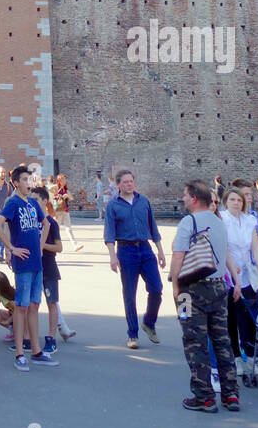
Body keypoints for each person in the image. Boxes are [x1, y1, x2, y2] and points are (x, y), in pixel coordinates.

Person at [170, 179, 241, 413]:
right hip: (219, 287)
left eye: (184, 194)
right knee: (222, 340)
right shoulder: (219, 223)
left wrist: (175, 287)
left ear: (193, 198)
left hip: (190, 290)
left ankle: (204, 396)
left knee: (194, 342)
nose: (182, 198)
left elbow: (178, 256)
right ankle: (231, 394)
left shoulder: (187, 222)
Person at [0, 165, 56, 369]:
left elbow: (46, 223)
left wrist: (39, 245)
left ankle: (36, 350)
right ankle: (20, 353)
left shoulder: (33, 204)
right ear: (16, 183)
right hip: (23, 263)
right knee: (21, 307)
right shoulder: (13, 203)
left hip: (37, 262)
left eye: (31, 179)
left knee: (35, 305)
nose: (29, 183)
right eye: (25, 180)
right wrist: (11, 247)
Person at [103, 168, 165, 349]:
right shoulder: (113, 205)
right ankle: (132, 334)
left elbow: (153, 227)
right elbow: (109, 233)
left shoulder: (143, 201)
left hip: (145, 249)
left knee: (156, 289)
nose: (129, 184)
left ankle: (149, 322)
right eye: (125, 182)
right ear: (118, 185)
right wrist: (113, 256)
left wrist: (160, 251)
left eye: (131, 181)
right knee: (130, 294)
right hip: (126, 250)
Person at [221, 185, 258, 363]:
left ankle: (251, 355)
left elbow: (255, 245)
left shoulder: (249, 220)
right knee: (232, 316)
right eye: (232, 199)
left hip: (248, 273)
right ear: (226, 202)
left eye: (239, 200)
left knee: (250, 316)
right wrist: (231, 267)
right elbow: (223, 246)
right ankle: (237, 357)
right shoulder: (222, 219)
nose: (236, 203)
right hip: (229, 272)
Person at [33, 184, 75, 345]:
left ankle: (51, 337)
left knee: (52, 303)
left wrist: (42, 245)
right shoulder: (29, 221)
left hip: (48, 268)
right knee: (32, 304)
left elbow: (59, 247)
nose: (33, 202)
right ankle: (31, 337)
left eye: (36, 199)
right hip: (32, 267)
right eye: (32, 199)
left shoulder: (51, 223)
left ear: (45, 201)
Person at [53, 173, 83, 252]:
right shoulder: (56, 188)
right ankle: (52, 244)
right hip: (58, 212)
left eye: (65, 179)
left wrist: (67, 196)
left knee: (68, 228)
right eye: (63, 179)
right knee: (56, 229)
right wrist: (58, 195)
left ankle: (75, 245)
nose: (65, 181)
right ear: (59, 180)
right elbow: (50, 193)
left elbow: (72, 198)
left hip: (65, 211)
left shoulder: (66, 190)